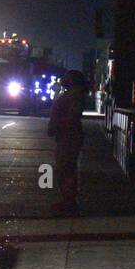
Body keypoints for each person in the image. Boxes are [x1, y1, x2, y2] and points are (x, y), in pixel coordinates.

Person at [47, 69, 88, 215]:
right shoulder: (73, 95)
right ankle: (68, 200)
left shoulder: (73, 96)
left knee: (66, 168)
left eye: (67, 77)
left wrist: (57, 126)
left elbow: (72, 117)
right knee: (65, 168)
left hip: (68, 138)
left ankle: (69, 202)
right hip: (66, 137)